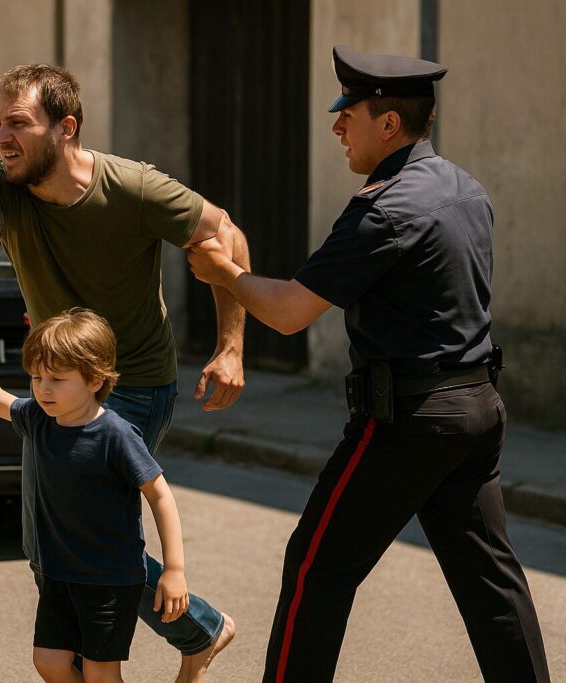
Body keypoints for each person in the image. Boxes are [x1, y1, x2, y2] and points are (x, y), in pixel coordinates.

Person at [188, 45, 550, 682]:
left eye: (346, 114)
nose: (335, 127)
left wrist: (227, 274)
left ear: (388, 124)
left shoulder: (384, 209)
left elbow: (292, 310)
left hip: (407, 421)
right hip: (476, 410)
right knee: (491, 581)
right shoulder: (467, 189)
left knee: (316, 568)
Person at [0, 64, 244, 681]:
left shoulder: (133, 187)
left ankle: (164, 637)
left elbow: (225, 231)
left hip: (135, 380)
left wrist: (230, 346)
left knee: (88, 526)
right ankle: (189, 631)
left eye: (18, 123)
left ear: (65, 128)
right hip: (56, 380)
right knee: (45, 535)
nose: (1, 138)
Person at [0, 308, 191, 683]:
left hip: (110, 579)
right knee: (49, 663)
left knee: (101, 673)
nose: (43, 388)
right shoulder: (37, 419)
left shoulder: (116, 434)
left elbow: (161, 496)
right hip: (59, 574)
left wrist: (175, 569)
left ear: (95, 379)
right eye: (36, 377)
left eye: (56, 378)